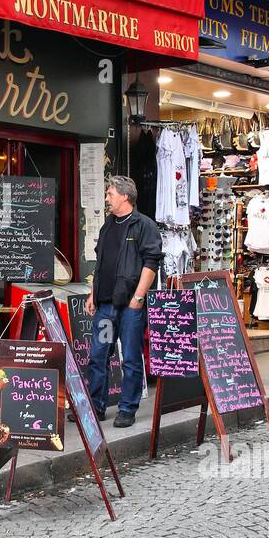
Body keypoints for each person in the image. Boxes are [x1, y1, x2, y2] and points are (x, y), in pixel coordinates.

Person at [86, 176, 162, 429]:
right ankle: (96, 406)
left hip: (130, 305)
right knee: (99, 355)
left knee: (130, 357)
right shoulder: (108, 225)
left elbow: (151, 262)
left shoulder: (144, 226)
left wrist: (139, 297)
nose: (106, 198)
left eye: (110, 194)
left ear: (124, 196)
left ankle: (127, 408)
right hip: (106, 306)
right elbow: (100, 264)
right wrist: (92, 294)